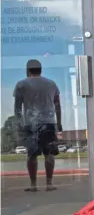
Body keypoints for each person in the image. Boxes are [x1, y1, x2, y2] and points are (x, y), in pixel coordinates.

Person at [14, 59, 62, 192]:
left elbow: (17, 108)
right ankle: (49, 183)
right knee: (50, 154)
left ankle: (33, 184)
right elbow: (57, 105)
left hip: (31, 123)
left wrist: (19, 124)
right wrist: (59, 122)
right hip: (49, 122)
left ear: (28, 70)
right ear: (40, 70)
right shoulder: (51, 84)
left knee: (31, 155)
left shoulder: (21, 84)